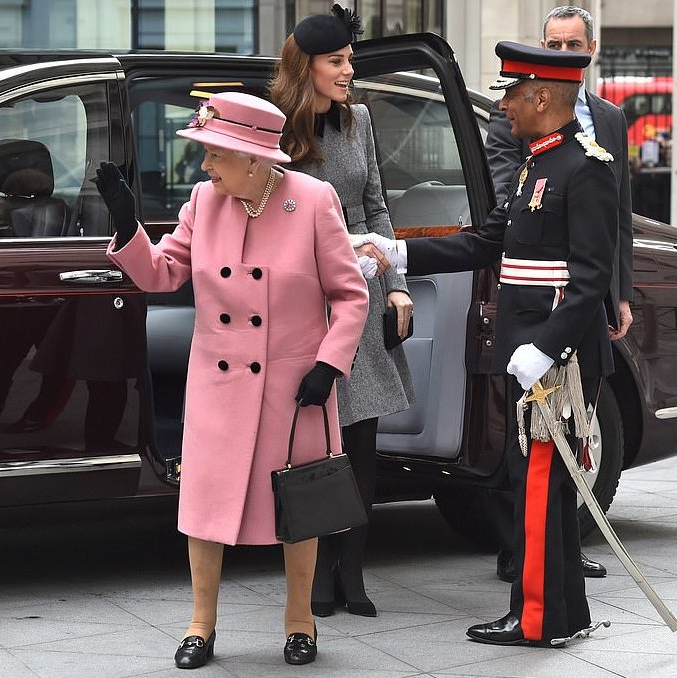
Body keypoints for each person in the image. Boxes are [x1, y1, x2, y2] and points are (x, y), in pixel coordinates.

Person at [95, 91, 369, 668]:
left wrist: (328, 364)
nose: (204, 166)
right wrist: (128, 228)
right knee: (204, 504)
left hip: (293, 389)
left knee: (300, 507)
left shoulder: (314, 201)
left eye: (213, 154)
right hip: (218, 385)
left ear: (252, 158)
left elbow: (350, 296)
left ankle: (301, 622)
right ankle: (200, 625)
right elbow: (164, 275)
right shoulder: (204, 200)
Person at [361, 41, 618, 648]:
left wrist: (545, 349)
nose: (504, 105)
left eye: (512, 93)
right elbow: (486, 242)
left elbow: (589, 281)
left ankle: (534, 618)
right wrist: (398, 251)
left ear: (544, 96)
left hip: (557, 363)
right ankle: (564, 614)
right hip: (533, 353)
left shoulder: (586, 169)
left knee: (536, 488)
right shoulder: (536, 163)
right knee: (543, 487)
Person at [269, 3, 414, 619]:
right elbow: (270, 217)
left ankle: (352, 573)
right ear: (308, 68)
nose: (350, 69)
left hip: (364, 293)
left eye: (350, 59)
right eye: (338, 61)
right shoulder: (276, 129)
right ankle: (315, 576)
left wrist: (399, 282)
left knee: (359, 443)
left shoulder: (359, 121)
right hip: (304, 300)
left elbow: (377, 207)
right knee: (310, 443)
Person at [484, 4, 633, 583]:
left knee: (568, 447)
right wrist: (399, 252)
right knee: (530, 456)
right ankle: (533, 568)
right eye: (554, 44)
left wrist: (616, 292)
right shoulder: (523, 140)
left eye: (573, 46)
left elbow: (611, 225)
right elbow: (507, 219)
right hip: (537, 314)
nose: (563, 55)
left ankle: (552, 577)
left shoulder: (603, 133)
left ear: (589, 51)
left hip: (565, 322)